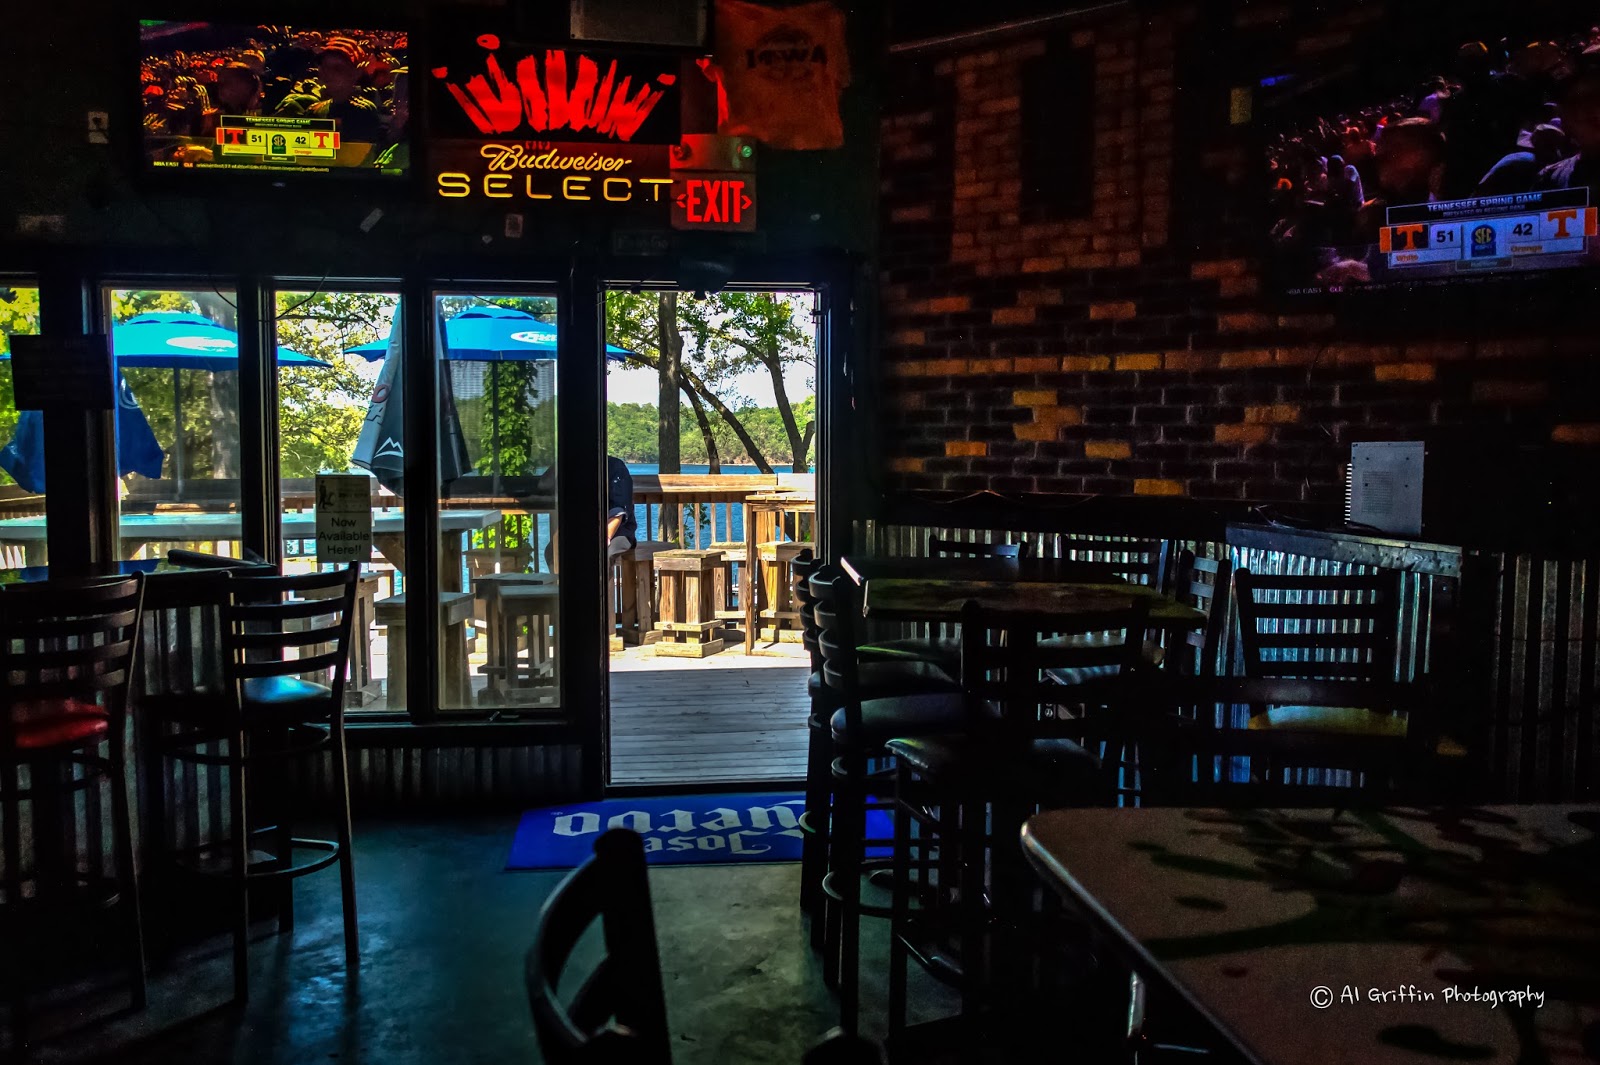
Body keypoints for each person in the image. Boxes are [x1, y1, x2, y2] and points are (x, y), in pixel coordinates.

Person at [607, 456, 637, 558]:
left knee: (605, 555)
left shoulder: (615, 467)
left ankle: (605, 573)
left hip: (619, 530)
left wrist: (606, 537)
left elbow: (617, 512)